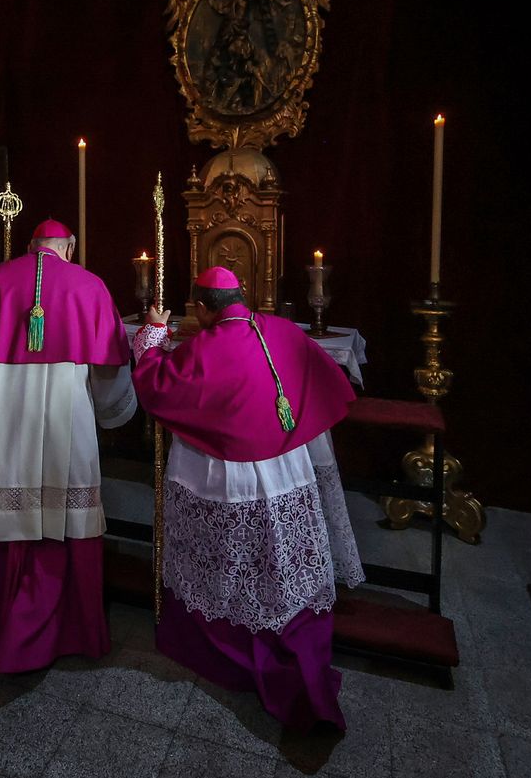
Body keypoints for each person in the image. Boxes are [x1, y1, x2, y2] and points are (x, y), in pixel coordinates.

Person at [132, 266, 363, 731]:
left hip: (227, 476)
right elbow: (317, 375)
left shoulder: (203, 347)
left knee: (229, 563)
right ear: (243, 296)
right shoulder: (278, 327)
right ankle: (290, 628)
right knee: (276, 560)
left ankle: (232, 645)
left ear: (201, 308)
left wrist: (152, 336)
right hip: (284, 470)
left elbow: (158, 386)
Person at [0, 218, 136, 672]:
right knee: (63, 512)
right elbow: (110, 368)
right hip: (68, 418)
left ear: (30, 245)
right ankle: (69, 629)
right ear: (69, 247)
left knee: (1, 501)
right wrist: (109, 410)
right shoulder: (90, 287)